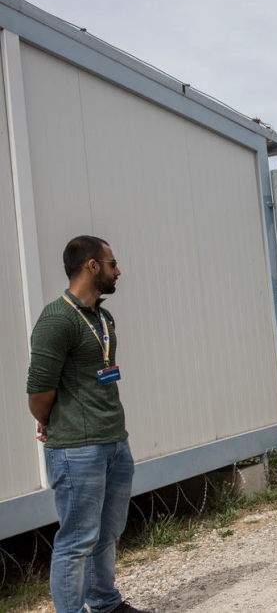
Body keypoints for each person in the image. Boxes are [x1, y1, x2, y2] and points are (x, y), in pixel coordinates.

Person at [26, 236, 150, 613]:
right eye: (112, 263)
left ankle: (105, 603)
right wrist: (54, 422)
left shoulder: (102, 317)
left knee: (107, 533)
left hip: (114, 441)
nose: (119, 270)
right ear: (91, 266)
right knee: (77, 540)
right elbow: (38, 392)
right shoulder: (56, 319)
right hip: (77, 449)